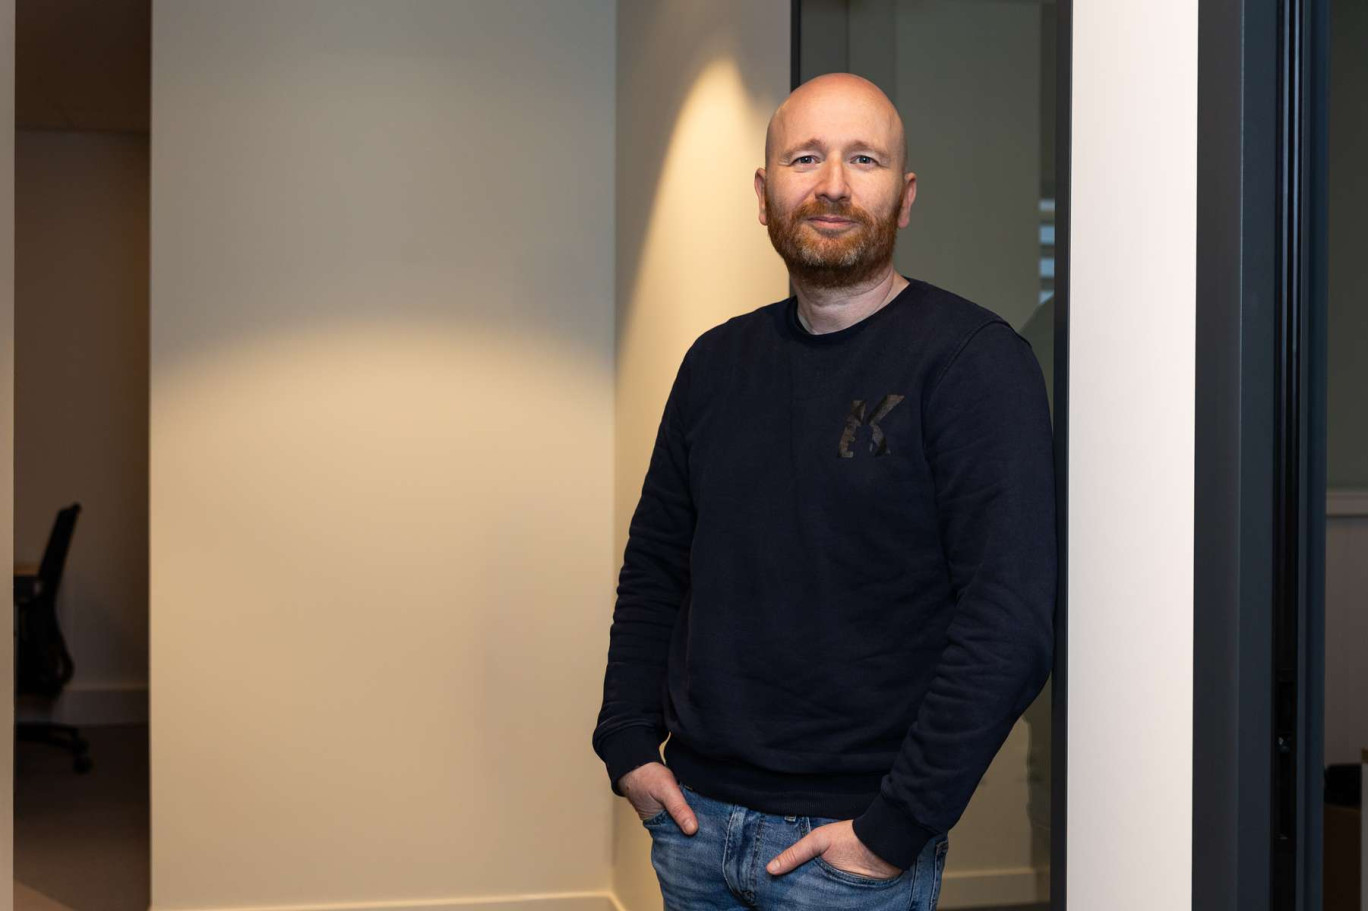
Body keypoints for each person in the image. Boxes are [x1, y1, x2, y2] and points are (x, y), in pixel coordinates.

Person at [591, 72, 1056, 910]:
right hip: (694, 827)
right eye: (805, 158)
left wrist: (893, 828)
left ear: (904, 198)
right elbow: (657, 564)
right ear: (763, 194)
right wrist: (626, 740)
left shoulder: (973, 364)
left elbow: (1009, 621)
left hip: (848, 851)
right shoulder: (713, 364)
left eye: (864, 159)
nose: (833, 184)